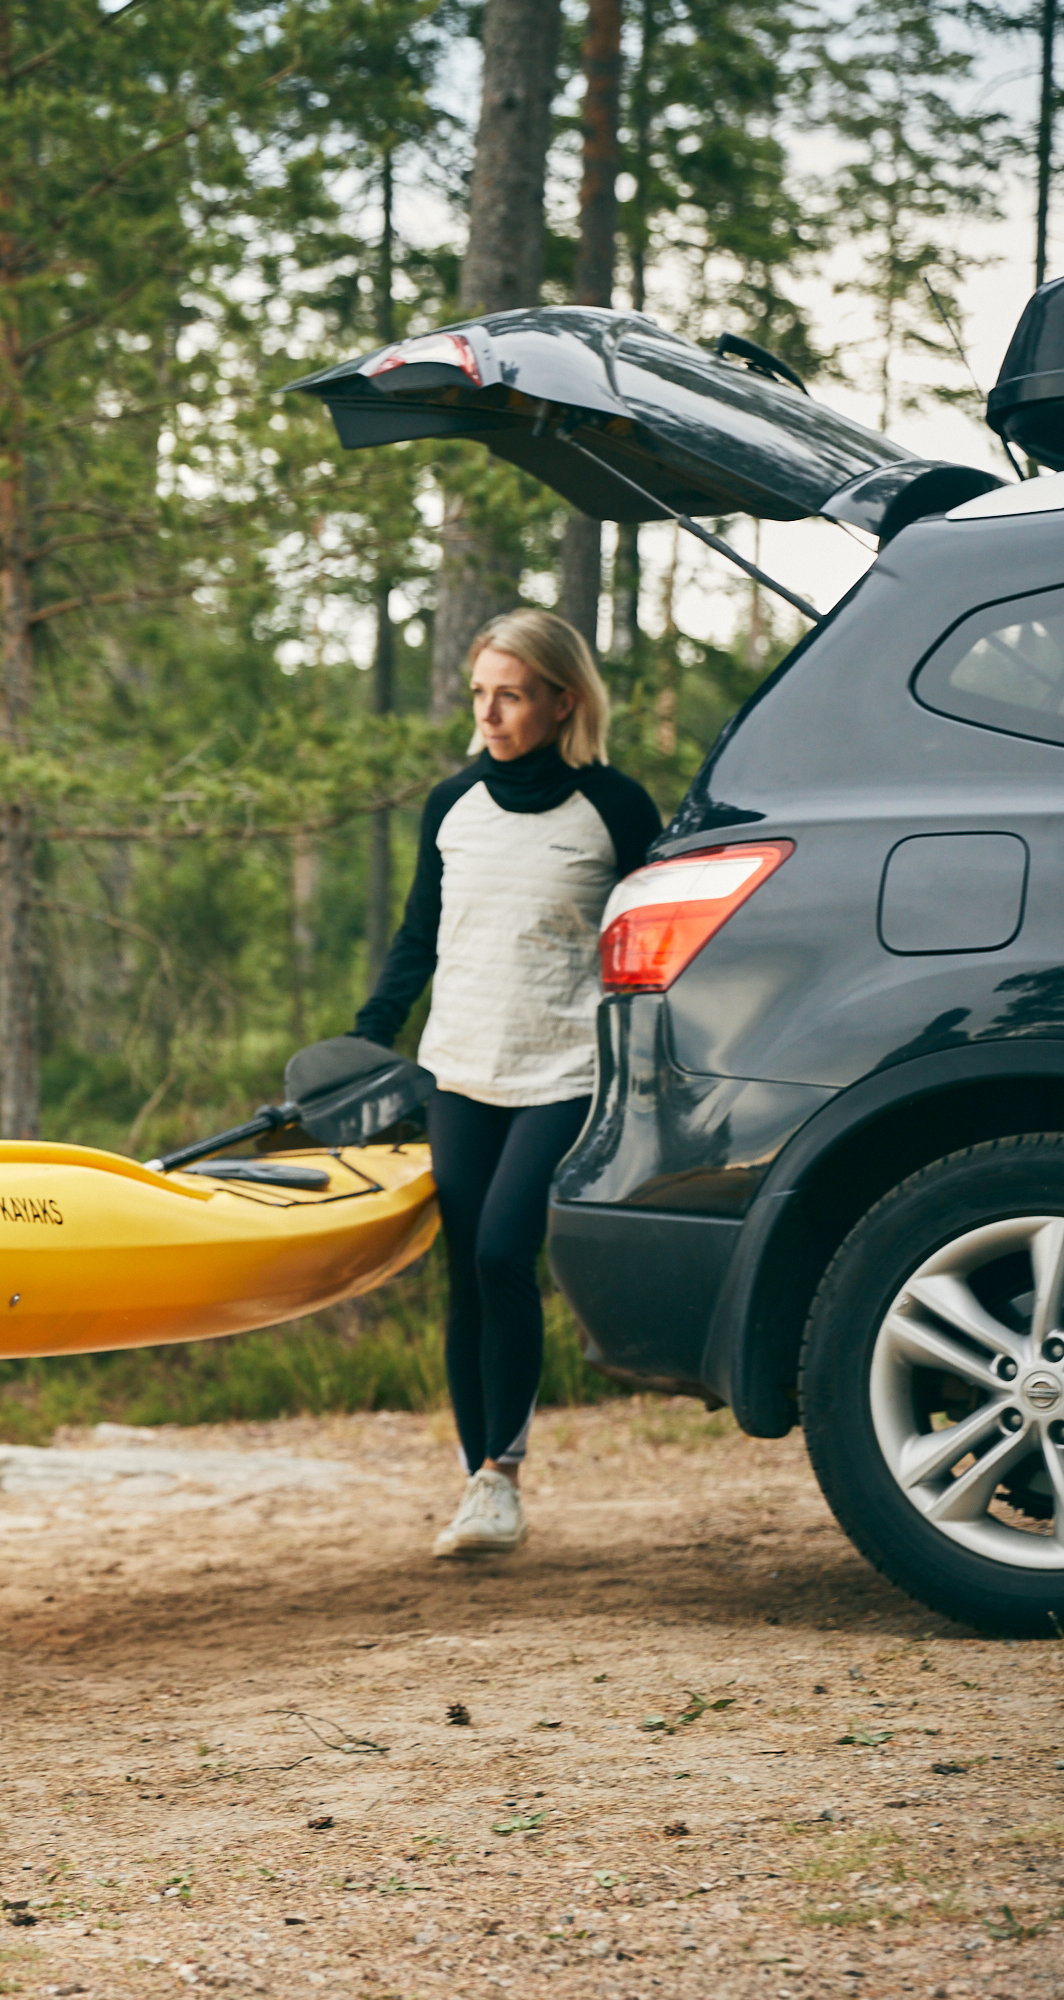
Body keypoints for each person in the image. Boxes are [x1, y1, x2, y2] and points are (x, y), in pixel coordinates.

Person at [354, 609, 658, 1560]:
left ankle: (502, 1476)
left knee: (500, 1254)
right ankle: (481, 1483)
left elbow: (651, 940)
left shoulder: (614, 807)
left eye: (512, 695)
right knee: (464, 1277)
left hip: (564, 1067)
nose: (491, 712)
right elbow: (419, 937)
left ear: (563, 700)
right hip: (461, 1065)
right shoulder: (452, 805)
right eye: (482, 693)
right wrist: (371, 1035)